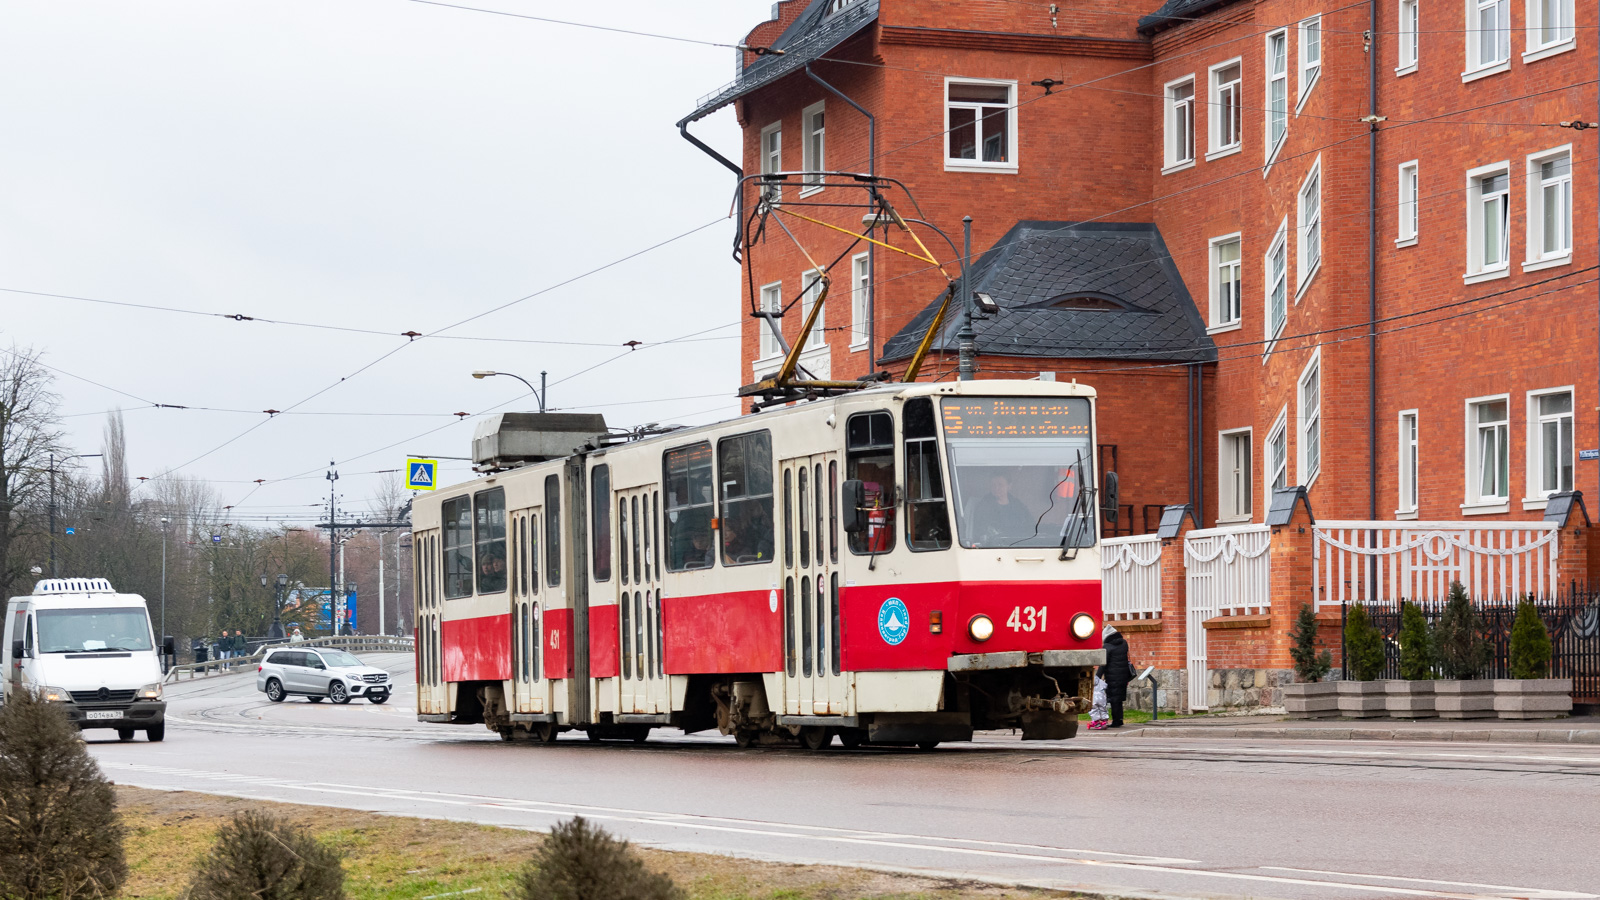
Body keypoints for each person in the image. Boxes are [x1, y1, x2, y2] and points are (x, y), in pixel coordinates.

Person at [969, 471, 1037, 544]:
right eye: (993, 485)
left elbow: (1031, 525)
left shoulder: (1018, 505)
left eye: (1000, 485)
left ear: (1009, 486)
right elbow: (982, 531)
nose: (996, 488)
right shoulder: (984, 506)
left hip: (1020, 544)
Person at [1098, 624, 1137, 728]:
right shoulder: (1124, 643)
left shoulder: (1107, 647)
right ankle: (1120, 719)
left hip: (1112, 676)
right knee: (1118, 699)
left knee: (1114, 699)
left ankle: (1116, 721)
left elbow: (1103, 664)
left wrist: (1097, 677)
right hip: (1124, 675)